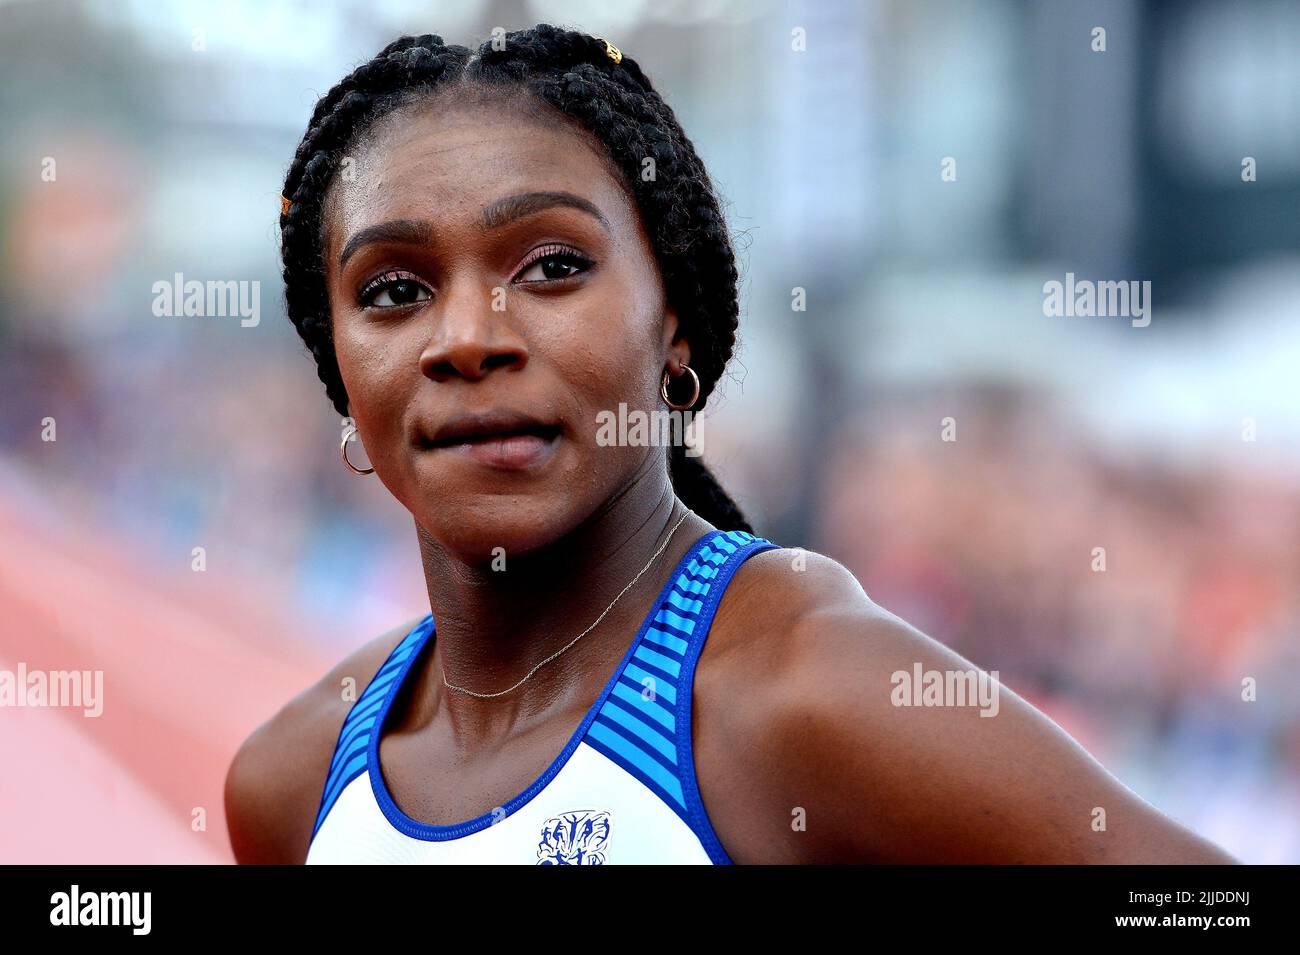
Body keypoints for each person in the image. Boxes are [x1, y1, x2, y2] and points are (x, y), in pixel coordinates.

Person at [224, 24, 1237, 864]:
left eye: (551, 265)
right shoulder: (291, 781)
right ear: (341, 377)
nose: (468, 337)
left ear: (677, 330)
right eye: (393, 290)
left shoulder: (804, 691)